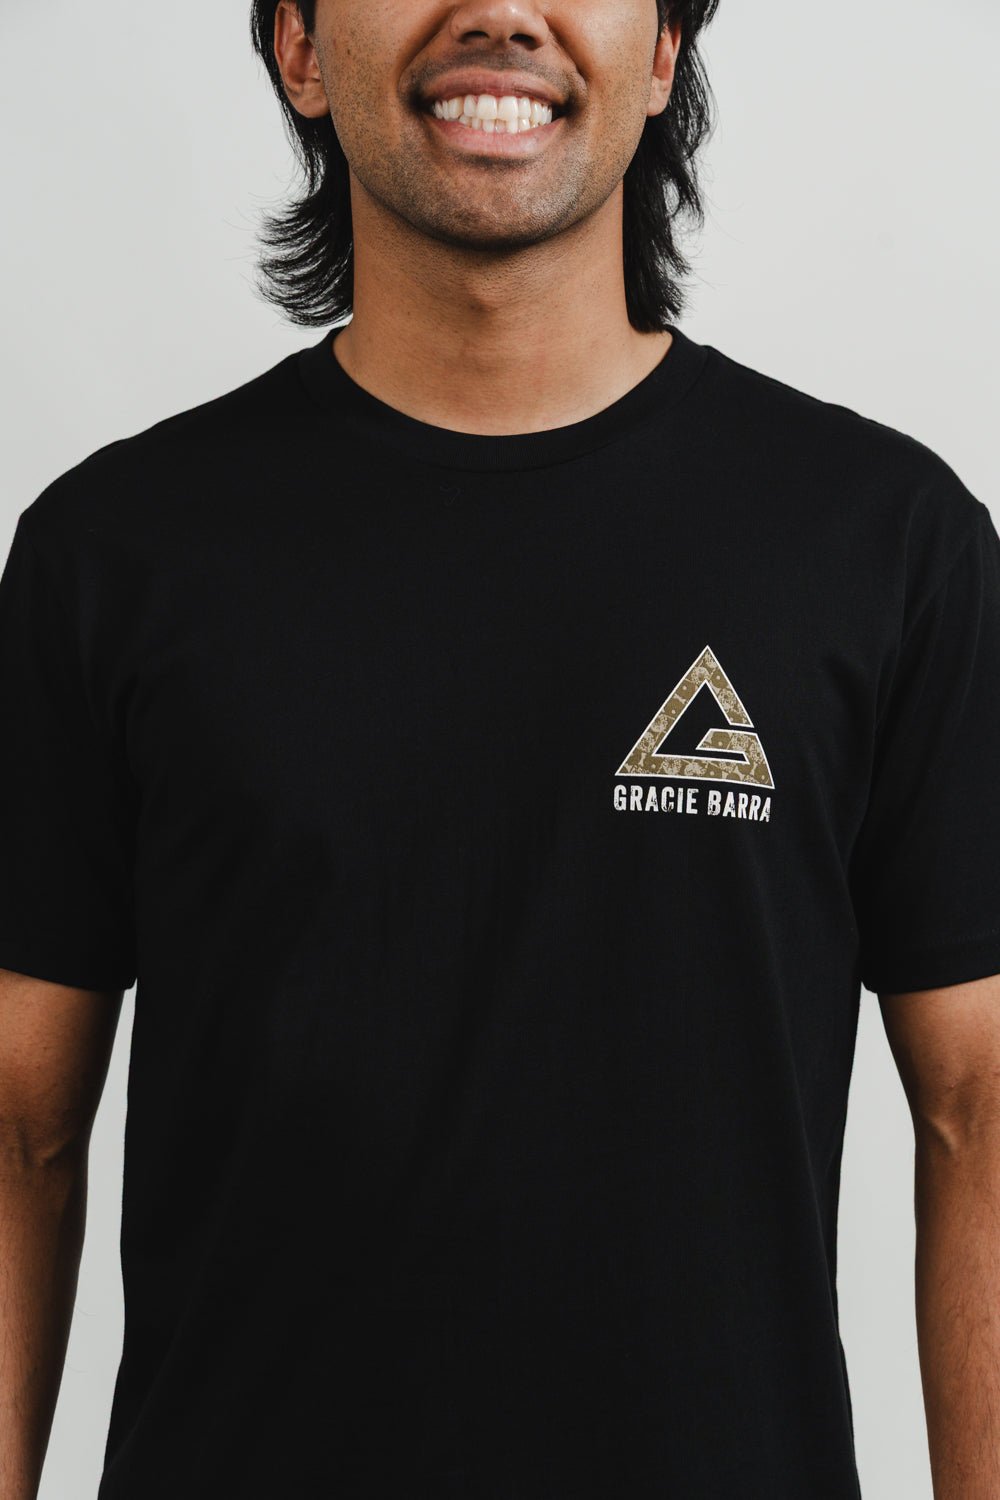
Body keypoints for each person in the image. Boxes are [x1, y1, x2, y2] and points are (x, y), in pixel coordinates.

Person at [1, 0, 998, 1495]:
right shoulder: (110, 556)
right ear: (297, 48)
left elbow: (978, 1112)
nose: (497, 10)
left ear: (660, 53)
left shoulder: (886, 545)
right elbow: (19, 1129)